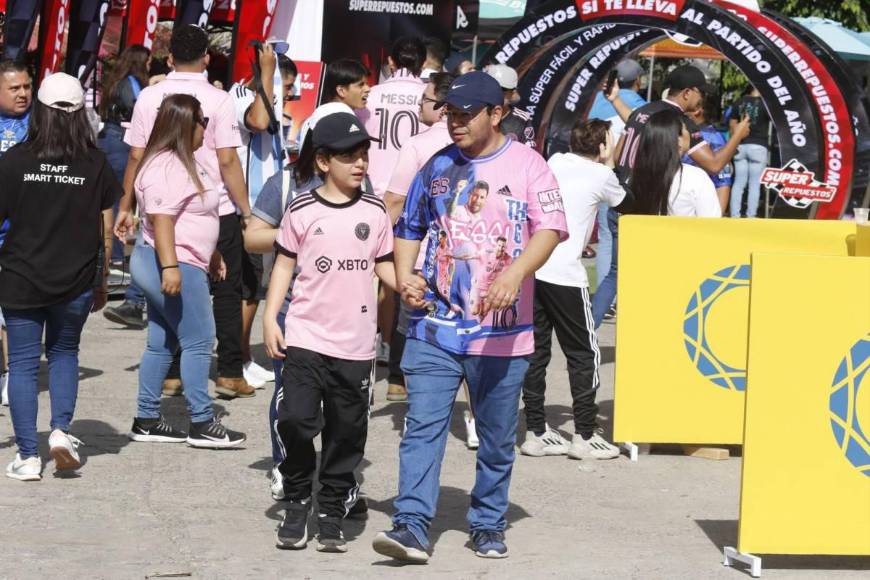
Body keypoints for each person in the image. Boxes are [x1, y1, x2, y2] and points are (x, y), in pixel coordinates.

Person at [372, 71, 568, 562]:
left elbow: (551, 229)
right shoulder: (437, 166)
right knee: (423, 428)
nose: (453, 124)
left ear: (496, 113)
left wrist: (516, 273)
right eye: (450, 115)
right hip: (434, 325)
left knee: (497, 439)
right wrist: (404, 275)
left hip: (502, 333)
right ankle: (411, 525)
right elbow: (410, 225)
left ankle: (487, 521)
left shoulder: (529, 166)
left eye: (464, 116)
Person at [263, 112, 395, 552]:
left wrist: (406, 284)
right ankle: (298, 498)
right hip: (304, 337)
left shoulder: (375, 212)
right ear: (322, 162)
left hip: (356, 344)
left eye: (363, 155)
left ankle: (332, 507)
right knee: (295, 420)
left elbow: (384, 264)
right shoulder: (301, 208)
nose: (359, 164)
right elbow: (284, 263)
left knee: (346, 431)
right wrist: (270, 316)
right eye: (348, 157)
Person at [114, 24, 255, 399]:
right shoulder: (219, 100)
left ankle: (172, 373)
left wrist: (125, 205)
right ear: (208, 57)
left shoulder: (150, 96)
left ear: (170, 58)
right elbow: (227, 159)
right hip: (212, 205)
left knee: (169, 286)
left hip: (161, 206)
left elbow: (135, 154)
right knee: (225, 287)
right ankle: (227, 371)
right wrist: (244, 208)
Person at [0, 73, 116, 480]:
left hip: (21, 276)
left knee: (24, 365)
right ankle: (62, 432)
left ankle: (29, 456)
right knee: (65, 353)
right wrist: (102, 278)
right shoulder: (95, 162)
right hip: (77, 280)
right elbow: (105, 228)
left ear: (40, 112)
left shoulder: (14, 160)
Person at [127, 93, 245, 449]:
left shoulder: (188, 160)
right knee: (198, 340)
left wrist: (211, 255)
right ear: (184, 124)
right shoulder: (165, 166)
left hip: (185, 260)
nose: (206, 128)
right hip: (171, 263)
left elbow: (195, 216)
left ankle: (146, 419)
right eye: (202, 122)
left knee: (162, 342)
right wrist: (171, 267)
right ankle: (202, 422)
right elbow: (162, 221)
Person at [592, 65, 749, 328]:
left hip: (621, 199)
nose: (702, 101)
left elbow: (619, 156)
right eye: (701, 93)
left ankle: (587, 334)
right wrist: (736, 137)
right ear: (687, 93)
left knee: (615, 275)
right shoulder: (678, 122)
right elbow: (713, 164)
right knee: (656, 279)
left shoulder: (643, 111)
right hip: (648, 208)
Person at [521, 119, 632, 460]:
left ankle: (535, 431)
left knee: (537, 352)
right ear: (602, 146)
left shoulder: (554, 162)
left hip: (535, 269)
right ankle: (584, 433)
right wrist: (612, 163)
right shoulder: (603, 176)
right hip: (568, 275)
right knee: (584, 354)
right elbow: (627, 205)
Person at [381, 72, 454, 402]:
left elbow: (395, 199)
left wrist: (377, 238)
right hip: (461, 256)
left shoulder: (418, 143)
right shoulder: (478, 145)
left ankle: (404, 383)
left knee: (411, 319)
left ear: (441, 106)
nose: (418, 105)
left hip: (422, 252)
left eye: (424, 99)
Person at [230, 44, 298, 389]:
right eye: (288, 87)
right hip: (247, 203)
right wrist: (267, 76)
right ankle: (235, 360)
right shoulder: (244, 93)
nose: (291, 94)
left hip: (266, 201)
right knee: (246, 288)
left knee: (254, 287)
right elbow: (256, 122)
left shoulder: (271, 100)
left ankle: (241, 355)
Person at [587, 59, 647, 321]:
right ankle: (623, 298)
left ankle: (604, 298)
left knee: (605, 240)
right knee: (626, 244)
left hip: (596, 172)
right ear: (639, 81)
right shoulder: (641, 106)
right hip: (627, 181)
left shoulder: (597, 102)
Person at [99, 45, 151, 330]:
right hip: (123, 141)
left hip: (107, 138)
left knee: (107, 202)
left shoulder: (113, 82)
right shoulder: (133, 84)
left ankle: (111, 257)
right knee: (123, 201)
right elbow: (140, 110)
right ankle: (118, 259)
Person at [0, 59, 33, 407]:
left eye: (26, 86)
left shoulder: (39, 125)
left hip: (23, 234)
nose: (23, 93)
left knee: (12, 311)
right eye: (15, 88)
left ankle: (13, 374)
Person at [357, 36, 426, 198]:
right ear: (424, 64)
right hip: (414, 196)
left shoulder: (369, 95)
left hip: (370, 192)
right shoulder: (431, 99)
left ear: (390, 62)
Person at [630, 109, 721, 218]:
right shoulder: (695, 178)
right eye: (685, 129)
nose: (689, 133)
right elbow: (712, 223)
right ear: (678, 140)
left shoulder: (636, 176)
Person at [685, 93, 733, 213]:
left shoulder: (714, 138)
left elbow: (723, 181)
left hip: (700, 210)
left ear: (697, 110)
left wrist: (716, 221)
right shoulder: (682, 131)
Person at [728, 86, 770, 218]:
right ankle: (751, 216)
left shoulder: (739, 101)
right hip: (758, 146)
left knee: (738, 182)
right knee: (754, 183)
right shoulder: (766, 103)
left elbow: (731, 124)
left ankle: (734, 215)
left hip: (740, 145)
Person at [483, 64, 536, 149]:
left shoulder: (522, 120)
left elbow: (529, 155)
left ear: (513, 92)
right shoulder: (475, 113)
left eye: (502, 89)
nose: (496, 93)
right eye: (492, 88)